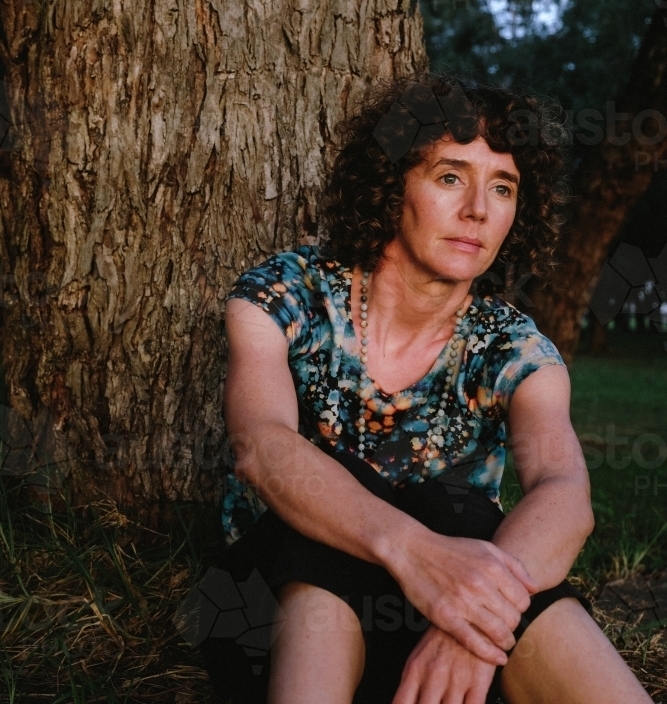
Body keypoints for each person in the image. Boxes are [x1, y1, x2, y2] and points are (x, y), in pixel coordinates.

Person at [198, 73, 652, 704]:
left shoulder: (513, 348)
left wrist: (469, 617)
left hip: (448, 613)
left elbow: (564, 491)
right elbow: (263, 446)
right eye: (449, 177)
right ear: (391, 186)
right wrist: (416, 556)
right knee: (326, 497)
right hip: (284, 596)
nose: (478, 210)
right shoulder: (289, 292)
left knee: (470, 522)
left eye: (502, 187)